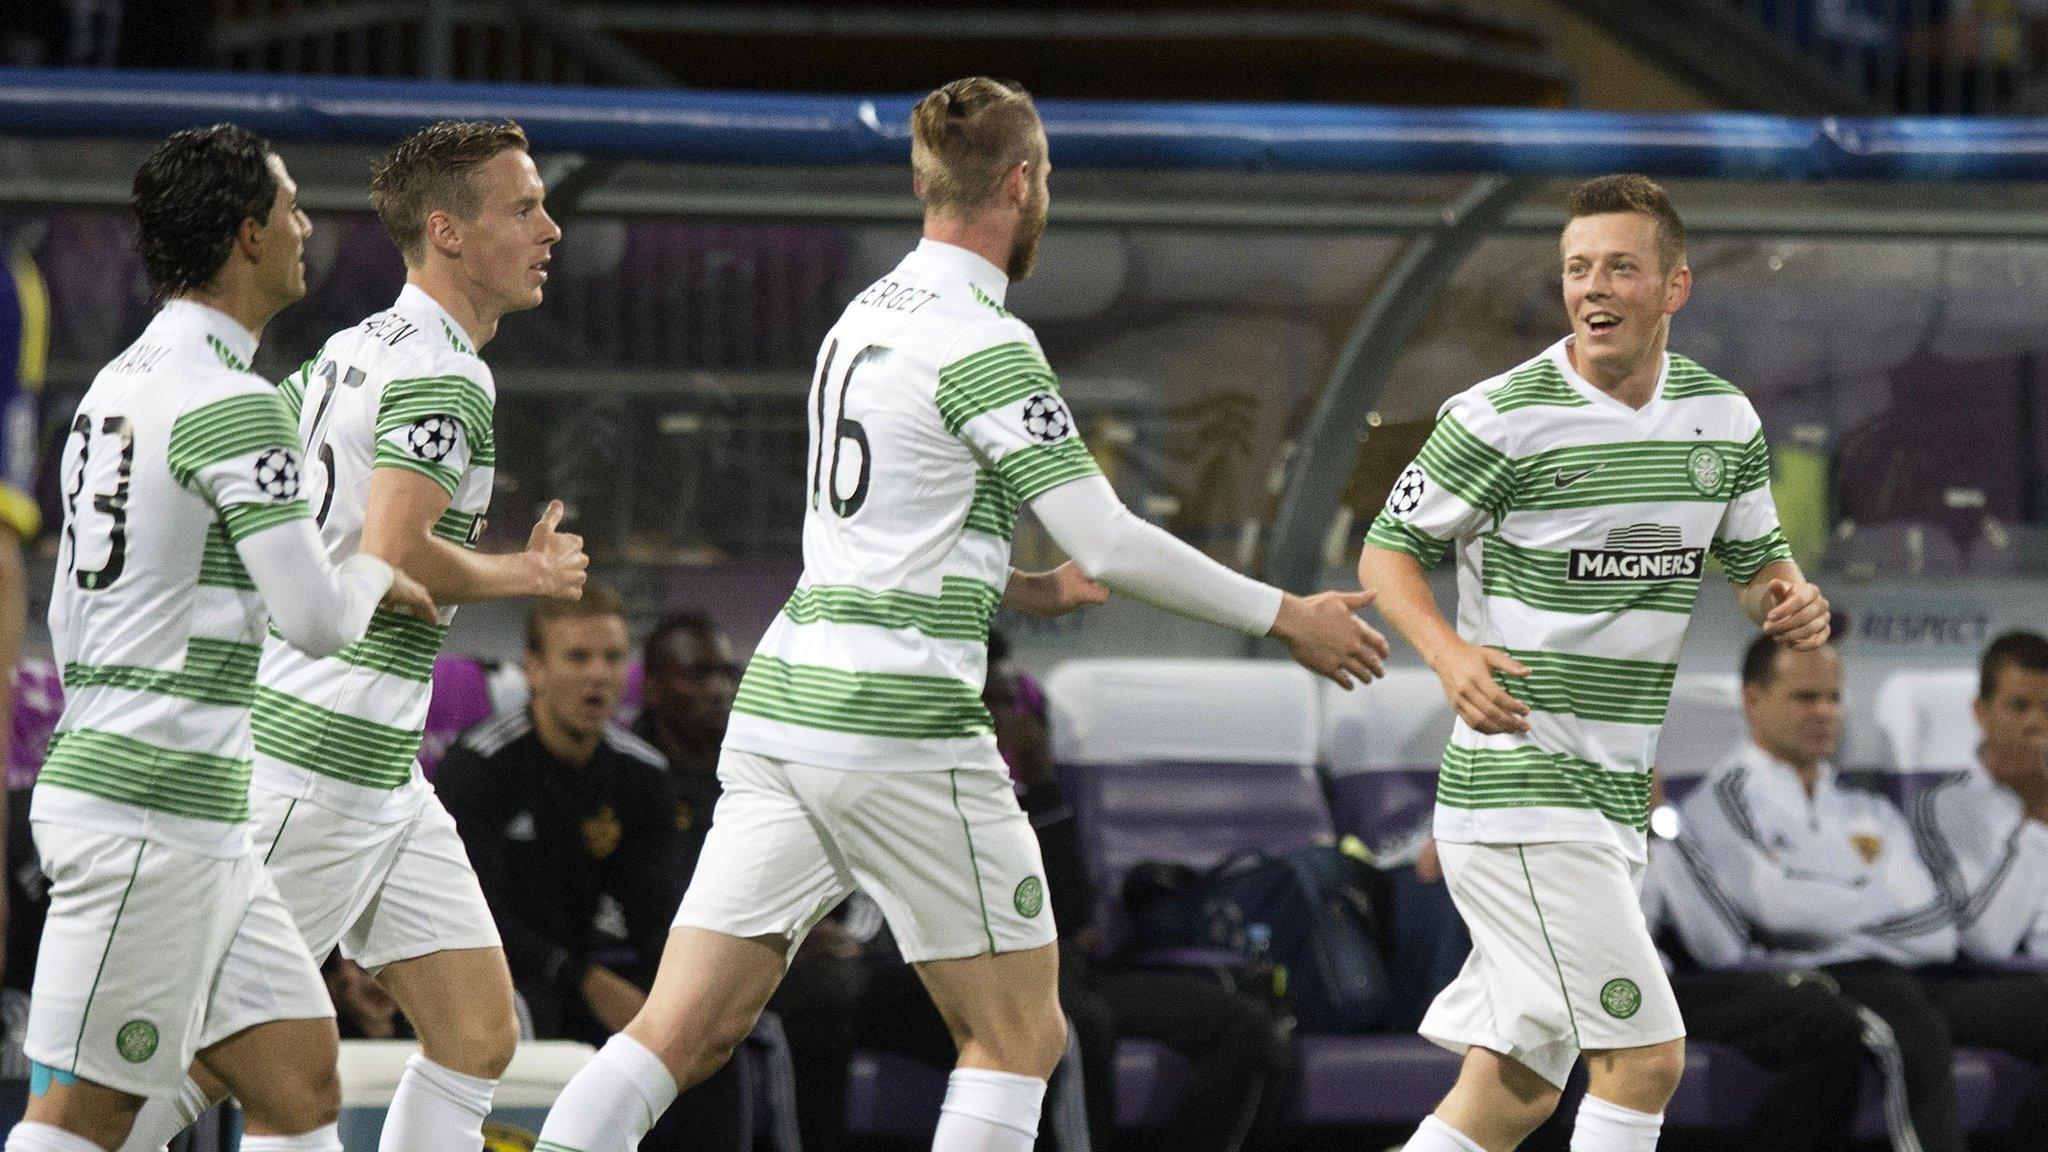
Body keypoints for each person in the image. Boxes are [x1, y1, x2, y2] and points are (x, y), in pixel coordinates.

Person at [534, 76, 1388, 1152]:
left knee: (679, 1029)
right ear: (1023, 184)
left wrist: (1021, 587)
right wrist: (1286, 615)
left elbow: (887, 533)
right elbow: (1111, 538)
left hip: (787, 708)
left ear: (921, 181)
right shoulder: (982, 341)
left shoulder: (860, 318)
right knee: (1017, 1034)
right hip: (901, 727)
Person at [118, 118, 589, 1152]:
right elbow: (399, 549)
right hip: (315, 767)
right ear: (447, 231)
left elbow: (276, 503)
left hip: (376, 772)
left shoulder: (352, 348)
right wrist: (530, 571)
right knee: (207, 1061)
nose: (549, 228)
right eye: (523, 207)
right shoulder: (446, 374)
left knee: (475, 1031)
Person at [1357, 173, 1830, 1152]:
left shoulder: (1720, 419)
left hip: (1609, 793)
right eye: (1576, 269)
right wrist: (1447, 657)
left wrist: (1786, 599)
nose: (1592, 288)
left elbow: (1754, 568)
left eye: (1619, 266)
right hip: (1520, 786)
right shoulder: (1497, 416)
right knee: (1644, 1059)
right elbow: (1385, 552)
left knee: (1517, 1086)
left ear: (1673, 286)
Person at [8, 123, 435, 1152]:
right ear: (247, 235)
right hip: (146, 818)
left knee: (300, 1080)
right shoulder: (234, 407)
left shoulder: (112, 389)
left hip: (183, 811)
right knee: (82, 1117)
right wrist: (385, 561)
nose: (306, 228)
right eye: (291, 208)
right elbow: (318, 621)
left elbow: (71, 610)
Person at [1673, 635, 2048, 1152]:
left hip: (1916, 975)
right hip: (1819, 980)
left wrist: (1827, 909)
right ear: (1752, 701)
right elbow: (1775, 911)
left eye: (1834, 698)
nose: (1825, 713)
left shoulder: (1865, 808)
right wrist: (1872, 902)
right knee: (1909, 1031)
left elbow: (1937, 928)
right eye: (1806, 698)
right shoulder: (1722, 801)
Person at [439, 587, 764, 1152]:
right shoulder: (480, 765)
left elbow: (656, 916)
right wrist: (582, 978)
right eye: (577, 658)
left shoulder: (641, 774)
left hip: (586, 970)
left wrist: (685, 996)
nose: (598, 676)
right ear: (534, 670)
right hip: (498, 971)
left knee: (702, 1035)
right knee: (526, 1015)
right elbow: (471, 916)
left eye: (612, 659)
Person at [631, 609, 864, 1152]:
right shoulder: (634, 771)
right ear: (656, 688)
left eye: (727, 674)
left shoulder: (759, 762)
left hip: (789, 950)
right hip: (691, 961)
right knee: (818, 1002)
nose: (719, 690)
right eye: (698, 674)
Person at [1910, 630, 2048, 961]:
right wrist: (2039, 809)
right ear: (1981, 713)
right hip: (2015, 989)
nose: (2037, 724)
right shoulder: (1947, 805)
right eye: (2019, 706)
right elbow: (1987, 941)